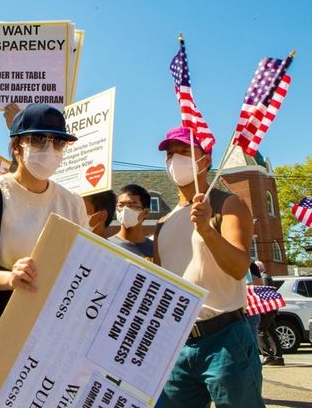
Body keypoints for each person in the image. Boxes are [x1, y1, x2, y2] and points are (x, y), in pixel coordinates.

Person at [0, 103, 88, 407]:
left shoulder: (72, 203)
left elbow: (82, 264)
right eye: (38, 140)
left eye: (57, 142)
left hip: (50, 334)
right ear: (16, 147)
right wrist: (10, 278)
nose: (49, 149)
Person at [154, 126, 263, 408]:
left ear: (205, 160)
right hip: (178, 344)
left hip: (226, 340)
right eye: (169, 154)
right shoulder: (163, 223)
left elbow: (239, 267)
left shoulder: (229, 204)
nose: (174, 160)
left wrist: (206, 229)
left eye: (183, 152)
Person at [110, 184, 154, 259]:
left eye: (131, 205)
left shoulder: (155, 250)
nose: (125, 209)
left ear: (145, 212)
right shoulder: (107, 246)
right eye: (121, 205)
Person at [255, 261, 285, 366]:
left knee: (259, 330)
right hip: (270, 309)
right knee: (271, 332)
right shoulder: (267, 276)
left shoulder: (263, 278)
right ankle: (278, 357)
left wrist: (263, 309)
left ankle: (267, 355)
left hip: (266, 309)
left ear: (258, 268)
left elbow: (265, 293)